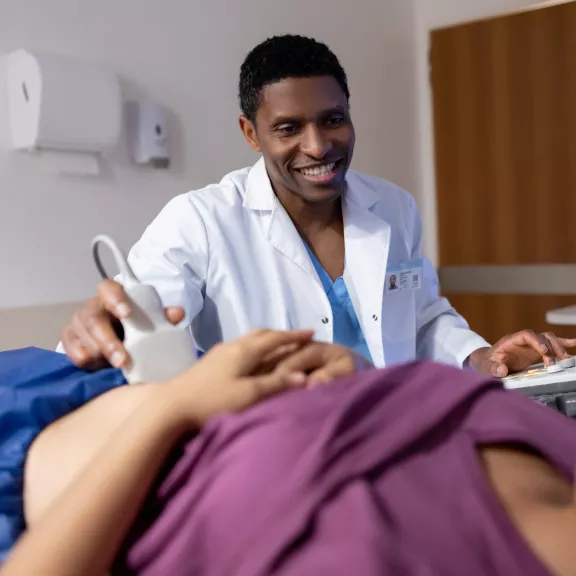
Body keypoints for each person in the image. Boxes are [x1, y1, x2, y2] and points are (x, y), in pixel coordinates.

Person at [59, 34, 575, 378]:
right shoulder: (200, 221)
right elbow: (141, 325)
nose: (318, 145)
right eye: (288, 128)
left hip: (396, 425)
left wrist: (484, 357)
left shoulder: (393, 207)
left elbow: (422, 320)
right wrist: (108, 328)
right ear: (251, 133)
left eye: (333, 120)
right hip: (281, 449)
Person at [6, 329, 576, 575]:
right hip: (99, 382)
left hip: (47, 483)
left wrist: (173, 408)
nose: (317, 144)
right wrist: (344, 376)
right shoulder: (544, 439)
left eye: (332, 120)